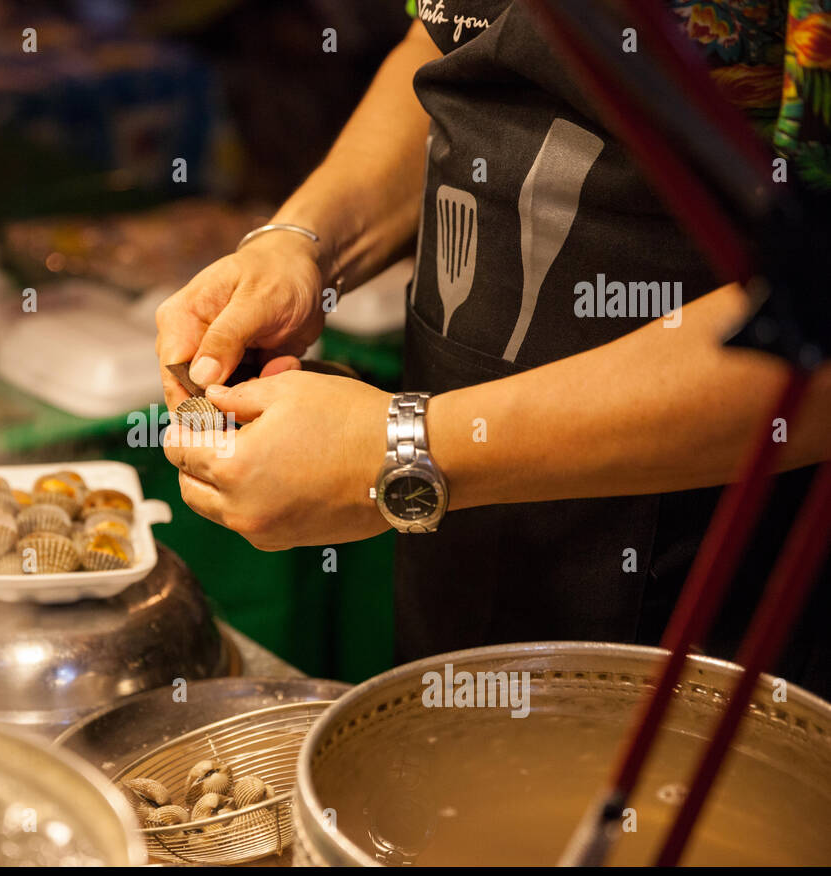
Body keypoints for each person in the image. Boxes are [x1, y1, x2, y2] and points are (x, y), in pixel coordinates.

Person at [155, 3, 831, 695]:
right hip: (452, 511)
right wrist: (298, 242)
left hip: (700, 561)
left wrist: (401, 447)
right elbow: (452, 40)